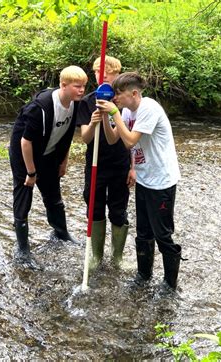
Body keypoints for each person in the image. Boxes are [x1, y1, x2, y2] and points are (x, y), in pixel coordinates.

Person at [95, 72, 183, 290]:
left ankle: (170, 284)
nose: (116, 98)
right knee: (143, 232)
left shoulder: (149, 109)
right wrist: (106, 116)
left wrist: (114, 112)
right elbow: (114, 138)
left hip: (161, 180)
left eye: (120, 94)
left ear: (134, 93)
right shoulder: (126, 111)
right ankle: (143, 276)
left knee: (162, 234)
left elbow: (131, 140)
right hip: (144, 178)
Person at [9, 65, 88, 268]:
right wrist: (31, 172)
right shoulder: (41, 107)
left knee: (53, 195)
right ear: (63, 85)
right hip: (24, 156)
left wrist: (64, 160)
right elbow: (25, 143)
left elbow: (68, 134)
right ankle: (23, 250)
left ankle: (61, 232)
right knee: (24, 197)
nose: (82, 90)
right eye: (77, 86)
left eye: (84, 86)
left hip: (50, 154)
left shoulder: (75, 103)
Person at [77, 56, 135, 271]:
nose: (101, 77)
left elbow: (133, 141)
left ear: (117, 74)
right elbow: (85, 138)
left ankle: (117, 257)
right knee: (94, 207)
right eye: (96, 73)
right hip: (96, 162)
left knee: (118, 209)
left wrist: (132, 167)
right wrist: (93, 122)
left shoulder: (124, 102)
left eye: (106, 73)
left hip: (120, 162)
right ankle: (96, 256)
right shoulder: (88, 101)